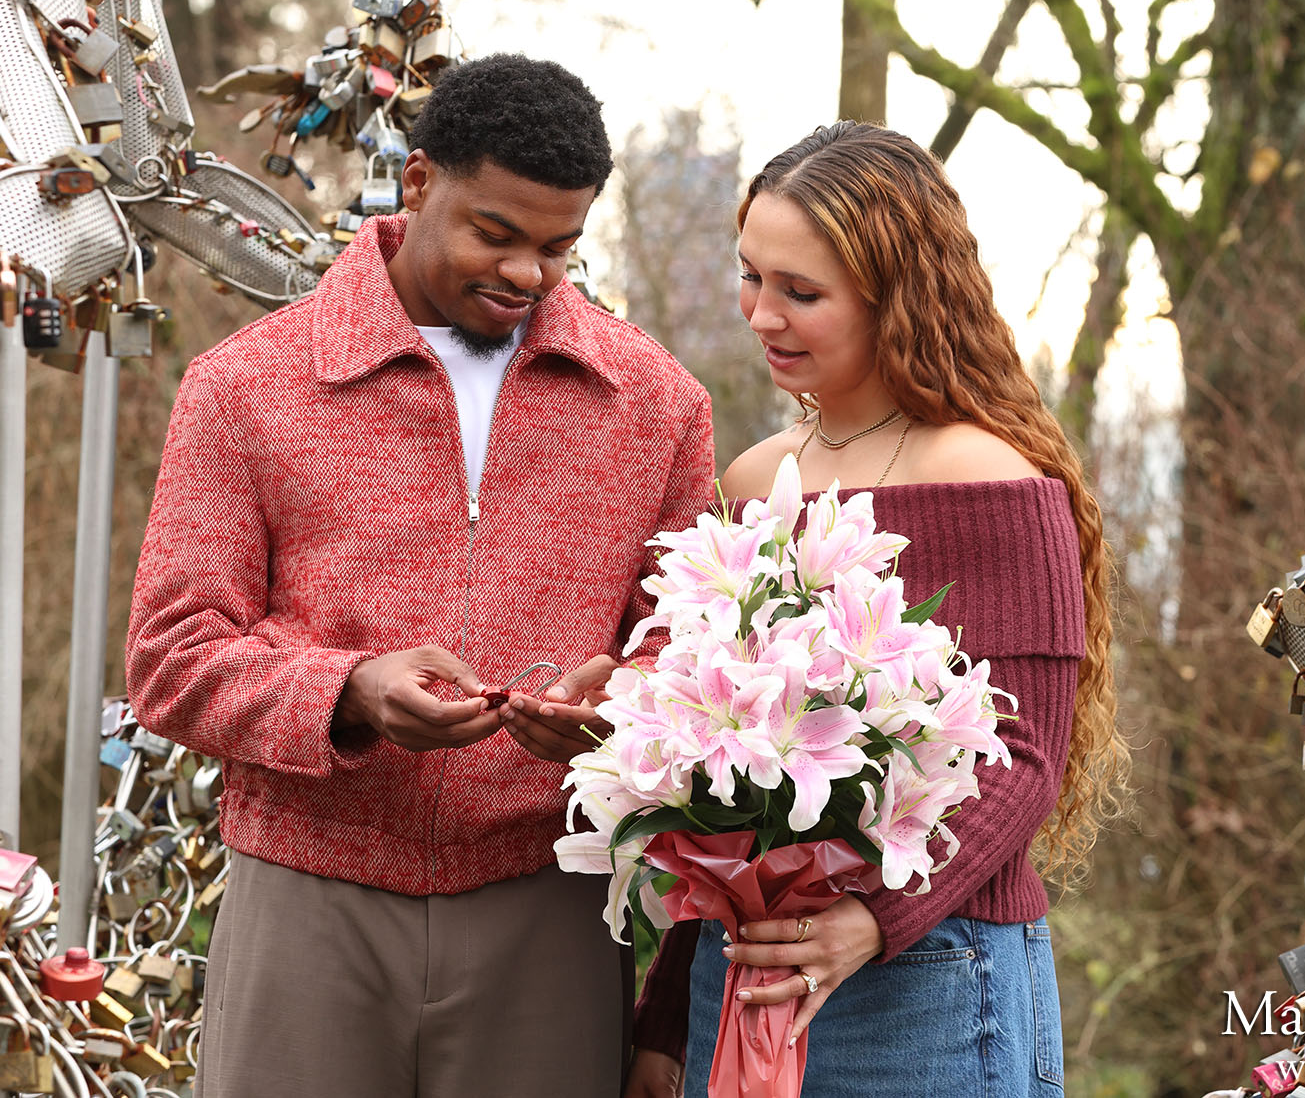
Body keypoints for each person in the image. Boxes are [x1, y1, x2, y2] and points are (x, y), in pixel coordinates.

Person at [124, 54, 714, 1098]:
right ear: (418, 180)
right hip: (306, 896)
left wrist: (622, 705)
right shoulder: (244, 386)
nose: (527, 272)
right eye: (496, 233)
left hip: (550, 901)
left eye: (558, 247)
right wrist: (347, 690)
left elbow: (690, 646)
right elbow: (171, 658)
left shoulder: (658, 405)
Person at [624, 122, 1130, 1097]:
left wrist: (872, 921)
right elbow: (718, 789)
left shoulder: (986, 474)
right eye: (750, 276)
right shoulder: (755, 479)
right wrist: (665, 1015)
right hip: (741, 976)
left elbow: (1023, 760)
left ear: (895, 297)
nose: (761, 314)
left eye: (800, 292)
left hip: (926, 978)